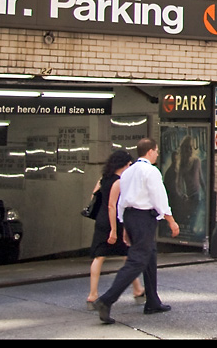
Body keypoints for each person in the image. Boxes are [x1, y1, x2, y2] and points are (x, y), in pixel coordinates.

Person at [94, 138, 179, 325]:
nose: (157, 154)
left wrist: (124, 225)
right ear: (149, 151)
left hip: (131, 217)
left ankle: (153, 301)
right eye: (156, 150)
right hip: (143, 218)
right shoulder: (151, 171)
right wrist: (171, 220)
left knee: (150, 255)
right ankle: (106, 300)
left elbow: (122, 201)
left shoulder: (127, 172)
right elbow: (159, 197)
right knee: (138, 259)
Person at [87, 150, 144, 309]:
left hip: (100, 220)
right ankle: (138, 289)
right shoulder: (119, 182)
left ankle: (92, 294)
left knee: (99, 257)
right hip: (114, 222)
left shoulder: (103, 179)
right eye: (129, 165)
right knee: (127, 255)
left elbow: (94, 197)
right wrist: (113, 229)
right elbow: (113, 206)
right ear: (124, 165)